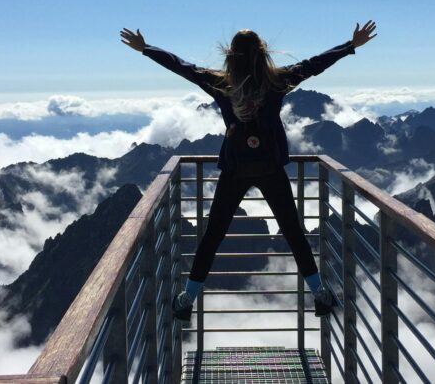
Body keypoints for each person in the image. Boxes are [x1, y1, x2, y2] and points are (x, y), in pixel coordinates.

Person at [119, 21, 377, 323]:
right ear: (262, 52)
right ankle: (319, 293)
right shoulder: (277, 82)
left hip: (235, 169)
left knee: (213, 235)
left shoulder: (221, 83)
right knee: (293, 232)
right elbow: (313, 65)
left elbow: (182, 67)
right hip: (270, 168)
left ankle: (187, 299)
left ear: (231, 55)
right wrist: (350, 45)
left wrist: (146, 49)